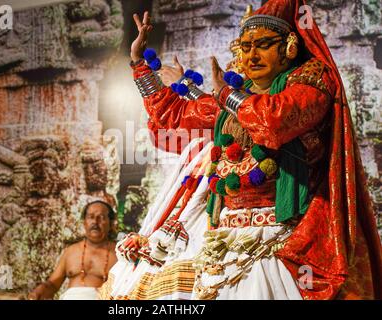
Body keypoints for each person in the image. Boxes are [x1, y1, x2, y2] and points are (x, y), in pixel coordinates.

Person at [101, 0, 381, 300]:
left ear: (288, 47)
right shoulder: (238, 96)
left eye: (262, 45)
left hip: (282, 241)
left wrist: (225, 94)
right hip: (225, 239)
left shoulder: (310, 82)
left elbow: (274, 120)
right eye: (245, 47)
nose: (251, 55)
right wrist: (139, 64)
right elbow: (173, 114)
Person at [28, 200, 117, 300]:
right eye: (90, 217)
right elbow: (53, 284)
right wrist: (41, 289)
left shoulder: (118, 254)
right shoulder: (71, 251)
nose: (95, 222)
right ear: (84, 222)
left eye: (101, 217)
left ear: (111, 223)